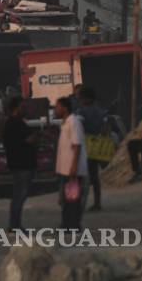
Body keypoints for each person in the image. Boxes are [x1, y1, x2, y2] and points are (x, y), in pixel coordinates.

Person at [2, 96, 37, 231]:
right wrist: (33, 138)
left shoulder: (16, 123)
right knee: (20, 195)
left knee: (18, 195)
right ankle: (14, 225)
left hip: (20, 164)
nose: (25, 109)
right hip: (22, 165)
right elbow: (22, 142)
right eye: (23, 107)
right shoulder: (14, 124)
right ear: (16, 108)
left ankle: (14, 224)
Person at [54, 96, 87, 231]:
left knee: (72, 198)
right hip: (65, 168)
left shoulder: (73, 122)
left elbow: (77, 144)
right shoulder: (66, 123)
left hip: (72, 168)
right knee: (66, 198)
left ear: (65, 108)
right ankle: (67, 224)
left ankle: (73, 225)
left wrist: (73, 166)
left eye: (58, 107)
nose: (56, 109)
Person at [76, 88, 106, 211]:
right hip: (97, 143)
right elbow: (105, 129)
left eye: (81, 97)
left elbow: (78, 129)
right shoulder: (100, 112)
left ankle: (79, 203)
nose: (79, 99)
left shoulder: (80, 112)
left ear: (86, 98)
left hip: (85, 144)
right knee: (95, 176)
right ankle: (97, 203)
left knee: (81, 176)